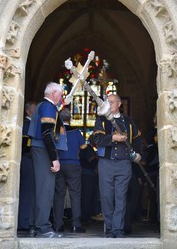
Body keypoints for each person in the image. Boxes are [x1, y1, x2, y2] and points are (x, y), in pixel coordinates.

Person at [93, 94, 142, 238]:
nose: (109, 104)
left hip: (124, 164)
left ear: (119, 104)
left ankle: (118, 229)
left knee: (120, 197)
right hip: (106, 163)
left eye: (112, 102)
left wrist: (139, 154)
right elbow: (96, 138)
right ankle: (109, 228)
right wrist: (113, 138)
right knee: (107, 197)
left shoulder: (128, 121)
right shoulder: (101, 119)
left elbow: (138, 140)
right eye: (107, 102)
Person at [28, 82, 66, 238]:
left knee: (39, 189)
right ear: (54, 93)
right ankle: (43, 227)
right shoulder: (48, 107)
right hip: (44, 151)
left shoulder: (44, 106)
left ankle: (34, 225)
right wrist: (54, 158)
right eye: (61, 95)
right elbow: (47, 134)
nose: (61, 98)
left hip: (39, 150)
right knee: (45, 190)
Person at [53, 108, 87, 233]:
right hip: (73, 165)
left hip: (59, 164)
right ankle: (75, 225)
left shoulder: (57, 131)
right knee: (75, 194)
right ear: (70, 118)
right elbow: (83, 146)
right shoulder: (76, 131)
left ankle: (57, 224)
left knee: (59, 194)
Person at [18, 101, 36, 233]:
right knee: (26, 191)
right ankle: (24, 222)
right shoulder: (27, 125)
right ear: (28, 111)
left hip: (28, 160)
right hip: (27, 159)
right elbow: (26, 145)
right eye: (35, 110)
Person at [79, 134, 99, 222]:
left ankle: (87, 214)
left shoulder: (89, 148)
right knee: (87, 195)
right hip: (87, 174)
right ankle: (85, 216)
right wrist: (97, 157)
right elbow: (89, 160)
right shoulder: (88, 148)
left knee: (88, 195)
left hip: (87, 173)